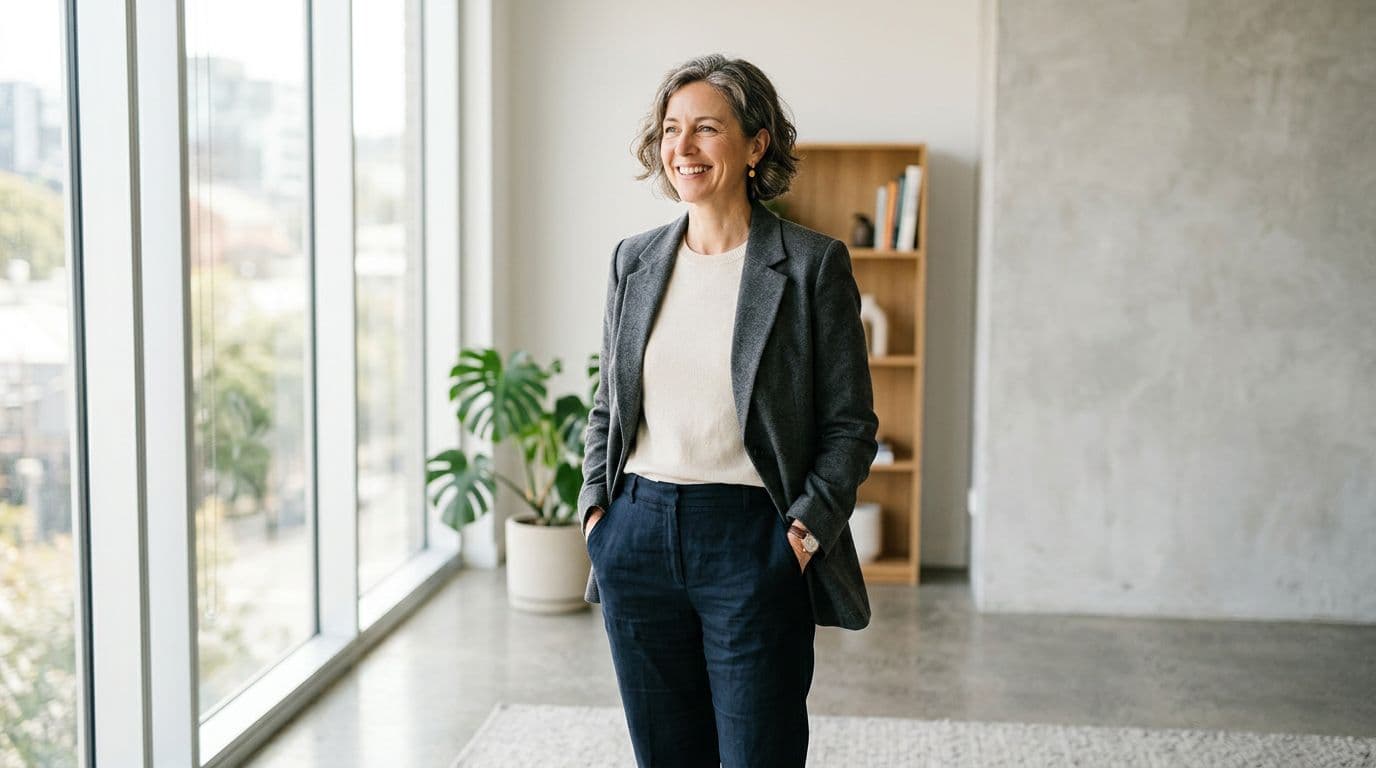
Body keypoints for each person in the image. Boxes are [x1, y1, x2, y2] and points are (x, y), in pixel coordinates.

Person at [578, 53, 879, 768]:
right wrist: (596, 514)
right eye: (671, 129)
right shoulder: (634, 260)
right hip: (637, 532)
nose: (682, 148)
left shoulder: (810, 265)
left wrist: (802, 535)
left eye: (706, 129)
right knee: (666, 755)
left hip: (751, 538)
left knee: (758, 753)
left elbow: (850, 425)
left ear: (755, 145)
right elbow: (608, 406)